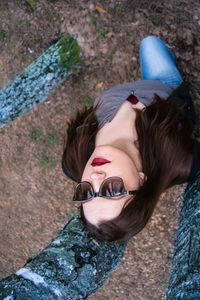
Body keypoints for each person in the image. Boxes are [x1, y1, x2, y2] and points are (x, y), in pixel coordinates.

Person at [62, 36, 199, 241]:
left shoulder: (74, 158)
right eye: (113, 189)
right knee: (150, 44)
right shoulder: (180, 159)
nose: (96, 178)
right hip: (164, 87)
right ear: (142, 181)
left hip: (139, 87)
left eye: (86, 192)